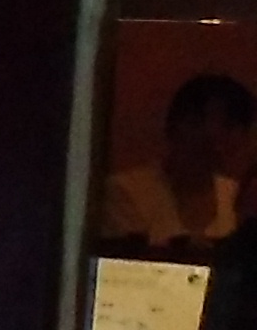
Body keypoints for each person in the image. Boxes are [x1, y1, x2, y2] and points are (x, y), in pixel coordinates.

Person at [102, 70, 256, 247]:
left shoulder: (237, 197)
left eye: (232, 127)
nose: (216, 136)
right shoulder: (126, 192)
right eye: (196, 122)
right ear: (176, 125)